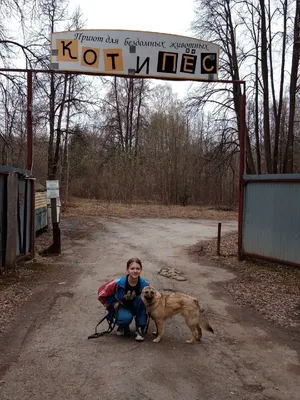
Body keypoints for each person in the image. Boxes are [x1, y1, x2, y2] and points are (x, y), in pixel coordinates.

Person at [98, 257, 149, 341]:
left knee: (142, 299)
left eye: (138, 268)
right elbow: (101, 293)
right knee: (124, 318)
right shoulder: (118, 283)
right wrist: (111, 304)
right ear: (127, 269)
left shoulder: (145, 285)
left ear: (141, 270)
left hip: (136, 307)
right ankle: (123, 325)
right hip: (122, 307)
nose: (135, 271)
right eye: (132, 268)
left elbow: (153, 297)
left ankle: (140, 328)